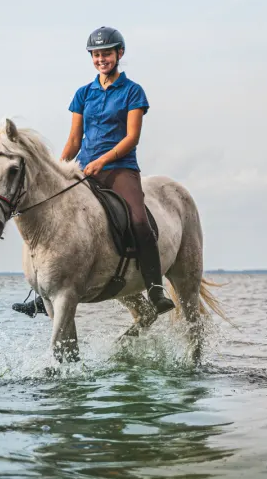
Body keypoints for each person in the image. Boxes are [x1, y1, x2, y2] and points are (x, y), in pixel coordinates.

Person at [12, 26, 175, 318]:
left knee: (139, 220)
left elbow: (131, 138)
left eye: (107, 54)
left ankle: (154, 287)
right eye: (96, 55)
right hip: (83, 168)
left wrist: (103, 160)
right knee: (53, 219)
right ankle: (43, 290)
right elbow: (75, 140)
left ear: (119, 54)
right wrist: (56, 168)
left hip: (119, 169)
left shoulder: (132, 91)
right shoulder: (83, 94)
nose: (101, 59)